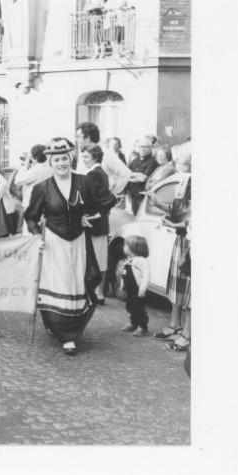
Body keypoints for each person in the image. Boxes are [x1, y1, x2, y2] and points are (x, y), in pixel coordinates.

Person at [24, 137, 102, 355]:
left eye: (64, 159)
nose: (61, 163)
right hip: (53, 243)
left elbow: (102, 203)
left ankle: (73, 330)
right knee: (59, 285)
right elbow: (31, 216)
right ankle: (63, 333)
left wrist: (89, 217)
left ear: (71, 159)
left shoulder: (84, 182)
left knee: (76, 284)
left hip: (78, 242)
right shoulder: (42, 188)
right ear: (50, 162)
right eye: (56, 160)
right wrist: (36, 236)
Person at [154, 143, 191, 351]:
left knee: (187, 289)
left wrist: (174, 222)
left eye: (182, 162)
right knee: (176, 284)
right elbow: (177, 209)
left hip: (191, 240)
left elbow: (188, 216)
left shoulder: (194, 183)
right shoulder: (181, 182)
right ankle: (175, 324)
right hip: (181, 237)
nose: (178, 166)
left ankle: (186, 333)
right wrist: (157, 203)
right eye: (176, 162)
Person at [78, 143, 117, 304]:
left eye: (86, 156)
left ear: (95, 157)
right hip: (98, 222)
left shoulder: (94, 175)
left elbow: (105, 199)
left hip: (93, 223)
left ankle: (97, 293)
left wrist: (95, 214)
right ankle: (98, 293)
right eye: (83, 156)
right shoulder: (99, 173)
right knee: (99, 257)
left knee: (96, 257)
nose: (83, 159)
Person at [120, 234, 151, 335]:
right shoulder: (128, 260)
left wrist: (143, 289)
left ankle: (143, 327)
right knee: (131, 306)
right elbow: (124, 273)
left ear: (133, 248)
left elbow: (146, 275)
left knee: (139, 308)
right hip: (130, 290)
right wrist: (122, 284)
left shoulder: (141, 261)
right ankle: (133, 323)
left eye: (126, 246)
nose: (123, 248)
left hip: (138, 290)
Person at [124, 135, 160, 215]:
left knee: (142, 217)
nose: (142, 149)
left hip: (144, 196)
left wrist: (130, 178)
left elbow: (143, 178)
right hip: (134, 194)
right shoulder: (136, 160)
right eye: (141, 147)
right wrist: (137, 175)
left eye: (145, 147)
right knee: (135, 216)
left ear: (150, 148)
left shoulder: (152, 161)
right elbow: (127, 172)